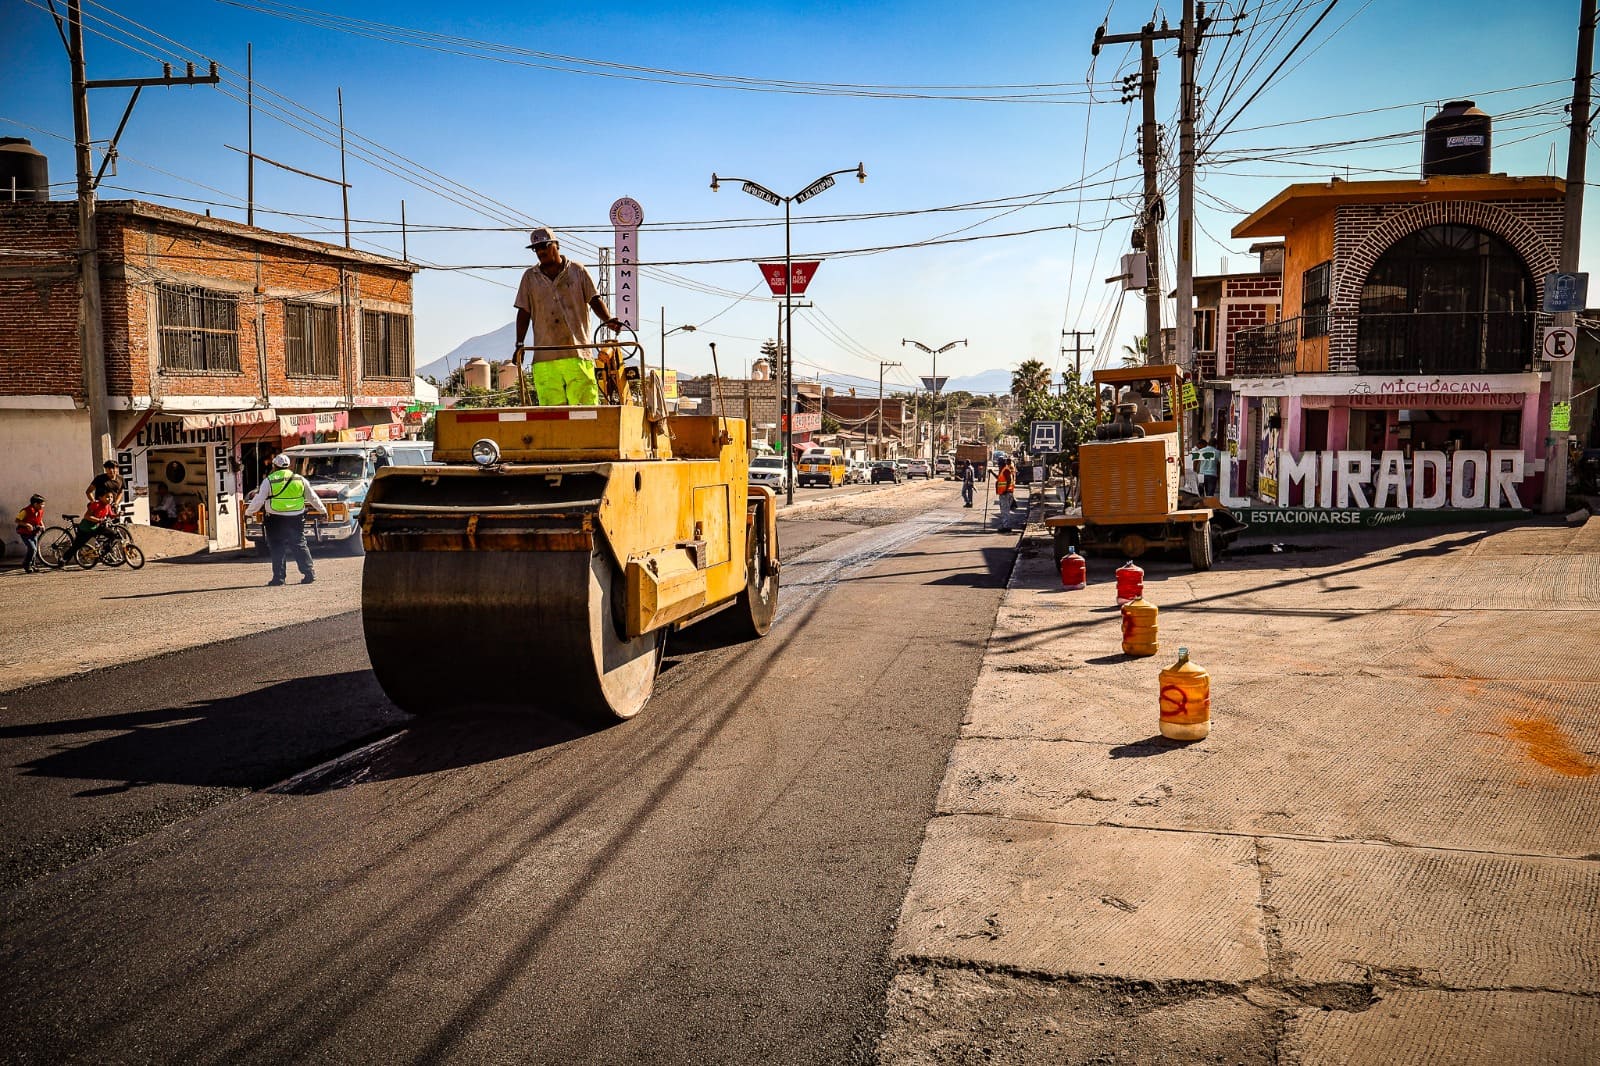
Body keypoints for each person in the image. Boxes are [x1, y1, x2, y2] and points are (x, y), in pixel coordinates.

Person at [513, 227, 623, 407]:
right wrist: (519, 344)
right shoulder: (529, 277)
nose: (540, 252)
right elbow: (524, 311)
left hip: (577, 352)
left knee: (585, 410)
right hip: (545, 357)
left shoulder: (577, 271)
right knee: (551, 414)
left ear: (556, 245)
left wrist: (608, 320)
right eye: (536, 249)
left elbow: (594, 299)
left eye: (544, 246)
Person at [244, 453, 327, 586]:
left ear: (274, 466)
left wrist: (249, 512)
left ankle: (279, 578)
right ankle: (309, 573)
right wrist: (323, 510)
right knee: (299, 544)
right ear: (289, 466)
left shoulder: (269, 480)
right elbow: (313, 497)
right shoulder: (300, 479)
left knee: (277, 547)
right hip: (296, 518)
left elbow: (259, 499)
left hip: (275, 519)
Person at [63, 490, 117, 565]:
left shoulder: (108, 506)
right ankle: (63, 559)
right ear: (101, 498)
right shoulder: (96, 505)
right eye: (107, 497)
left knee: (113, 534)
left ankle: (105, 551)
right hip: (86, 529)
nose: (110, 499)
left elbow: (111, 515)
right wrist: (98, 520)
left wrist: (118, 515)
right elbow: (87, 516)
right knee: (76, 546)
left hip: (97, 527)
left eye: (111, 497)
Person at [15, 493, 45, 573]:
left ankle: (33, 565)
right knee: (32, 549)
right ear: (35, 504)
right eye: (41, 504)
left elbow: (39, 519)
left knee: (34, 550)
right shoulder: (25, 511)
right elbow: (17, 520)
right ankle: (26, 564)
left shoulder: (39, 511)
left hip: (34, 533)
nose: (43, 506)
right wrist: (26, 524)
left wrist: (42, 525)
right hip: (25, 533)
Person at [994, 456, 1017, 530]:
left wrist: (1005, 490)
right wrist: (991, 472)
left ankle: (1006, 526)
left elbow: (1009, 480)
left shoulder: (1006, 470)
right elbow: (999, 478)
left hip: (1006, 494)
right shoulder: (1003, 470)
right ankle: (1005, 525)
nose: (998, 466)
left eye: (999, 464)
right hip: (1003, 493)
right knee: (1004, 510)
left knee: (1005, 511)